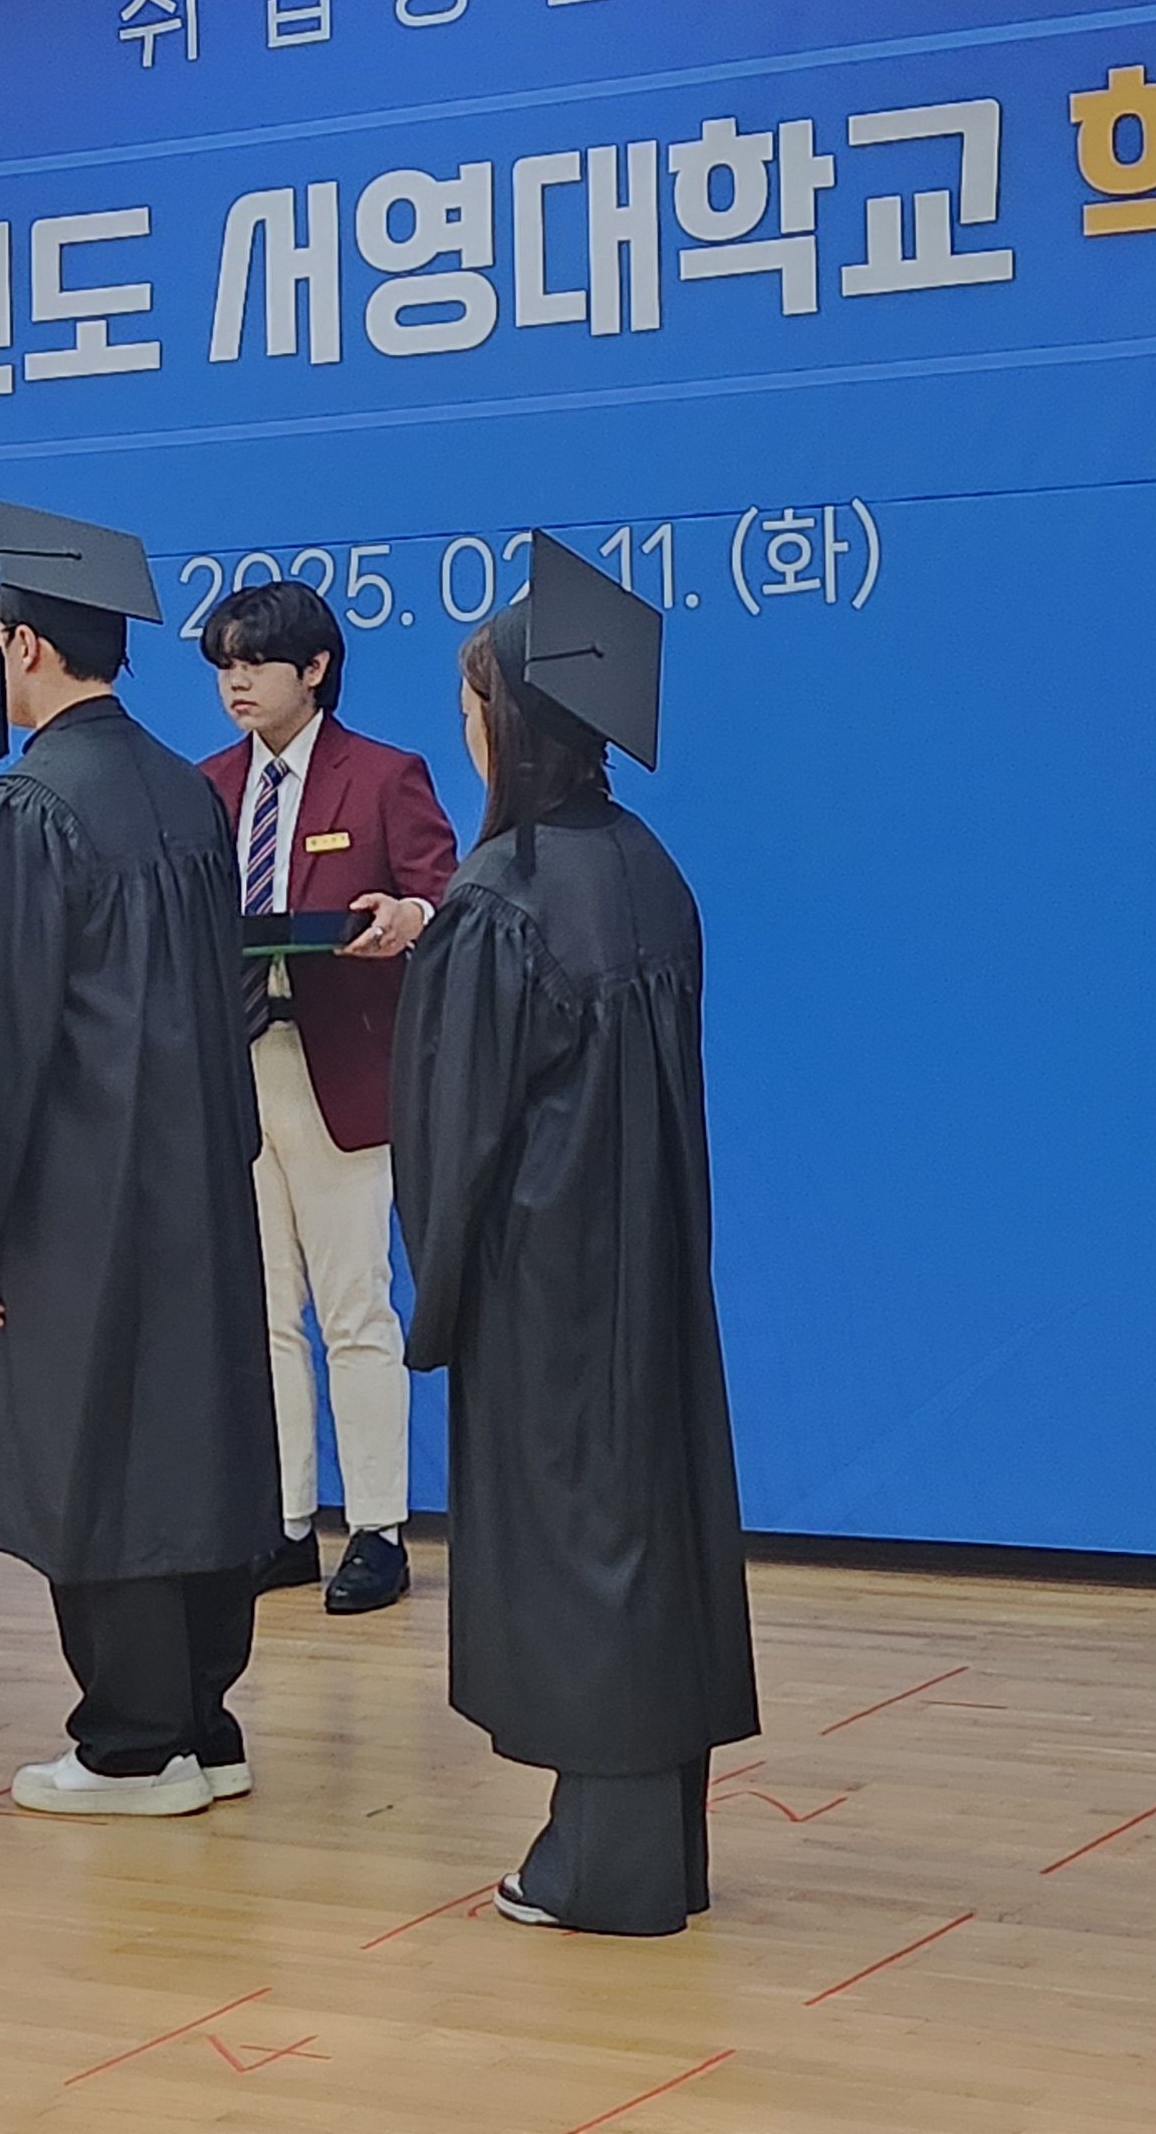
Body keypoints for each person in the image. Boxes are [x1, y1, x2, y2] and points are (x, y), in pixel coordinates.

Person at [390, 534, 758, 1934]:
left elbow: (457, 1131)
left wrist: (441, 1292)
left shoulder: (501, 901)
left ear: (511, 722)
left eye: (471, 703)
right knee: (645, 1534)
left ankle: (599, 1870)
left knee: (586, 1552)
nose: (464, 727)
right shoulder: (651, 868)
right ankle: (657, 1847)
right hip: (652, 1270)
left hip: (546, 1286)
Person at [0, 501, 279, 1818]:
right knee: (194, 1434)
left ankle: (132, 1744)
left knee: (100, 1443)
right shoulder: (189, 792)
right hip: (199, 1183)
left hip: (80, 1192)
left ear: (20, 646)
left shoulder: (23, 807)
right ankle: (206, 1721)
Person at [196, 579, 459, 1616]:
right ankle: (286, 1522)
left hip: (342, 1066)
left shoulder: (384, 775)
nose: (236, 683)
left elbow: (445, 897)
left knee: (354, 1308)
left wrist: (405, 917)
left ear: (314, 668)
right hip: (237, 1064)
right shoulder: (207, 785)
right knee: (262, 1311)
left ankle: (379, 1527)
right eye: (223, 665)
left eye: (255, 663)